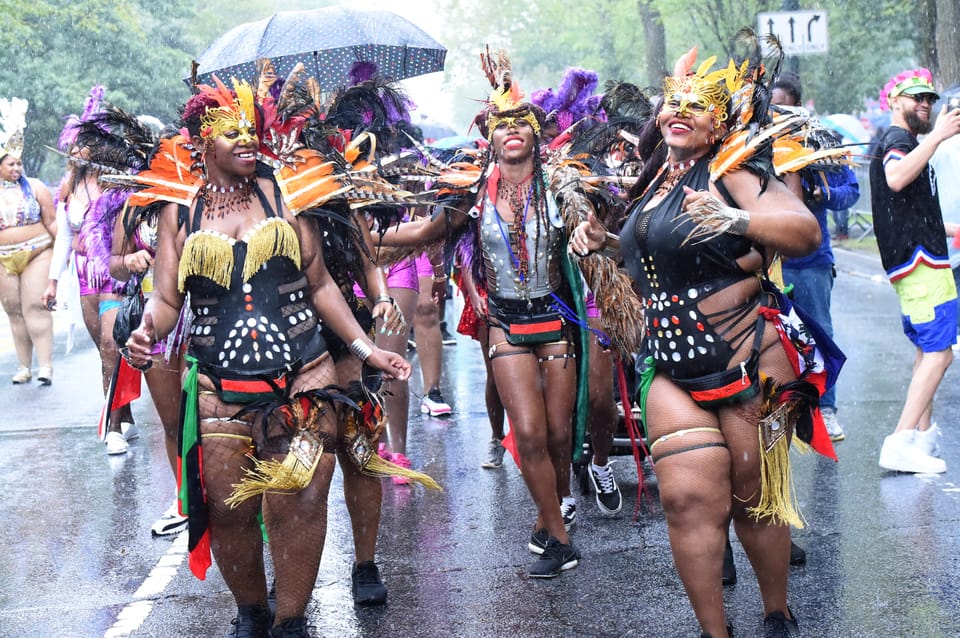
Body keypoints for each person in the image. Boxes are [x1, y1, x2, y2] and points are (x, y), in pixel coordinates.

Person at [122, 79, 411, 637]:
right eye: (232, 133)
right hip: (217, 386)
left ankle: (292, 620)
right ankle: (252, 611)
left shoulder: (287, 192)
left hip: (303, 374)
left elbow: (321, 283)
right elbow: (164, 298)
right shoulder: (179, 210)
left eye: (252, 131)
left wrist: (366, 348)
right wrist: (145, 332)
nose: (248, 141)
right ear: (205, 142)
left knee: (299, 498)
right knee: (228, 508)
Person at [571, 44, 843, 637]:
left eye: (695, 105)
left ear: (718, 121)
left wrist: (736, 220)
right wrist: (605, 243)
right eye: (672, 101)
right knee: (688, 502)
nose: (679, 110)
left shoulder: (732, 173)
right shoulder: (652, 187)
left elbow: (803, 229)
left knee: (752, 496)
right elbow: (657, 264)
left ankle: (777, 613)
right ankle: (714, 632)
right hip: (671, 369)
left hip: (746, 355)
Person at [380, 49, 589, 578]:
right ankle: (558, 536)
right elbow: (425, 235)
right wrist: (363, 237)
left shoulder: (560, 185)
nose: (512, 131)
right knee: (530, 432)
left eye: (522, 123)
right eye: (502, 125)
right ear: (489, 136)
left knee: (561, 437)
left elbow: (597, 229)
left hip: (557, 319)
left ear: (537, 135)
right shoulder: (471, 194)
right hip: (505, 325)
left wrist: (596, 235)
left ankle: (548, 519)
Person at [871, 68, 960, 474]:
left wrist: (946, 229)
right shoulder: (897, 141)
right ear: (893, 101)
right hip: (920, 263)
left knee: (928, 350)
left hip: (922, 258)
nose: (924, 104)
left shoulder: (905, 142)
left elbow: (904, 205)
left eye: (928, 99)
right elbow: (895, 178)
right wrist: (939, 136)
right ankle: (901, 439)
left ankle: (921, 436)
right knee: (940, 352)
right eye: (915, 98)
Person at [42, 86, 137, 455]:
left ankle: (111, 426)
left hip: (114, 272)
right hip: (83, 276)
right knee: (104, 350)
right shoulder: (69, 186)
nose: (76, 149)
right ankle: (123, 413)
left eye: (84, 142)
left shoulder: (120, 182)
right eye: (74, 143)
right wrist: (52, 281)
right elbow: (64, 237)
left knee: (115, 346)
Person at [772, 71, 860, 441]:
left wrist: (820, 194)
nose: (776, 114)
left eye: (782, 106)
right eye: (770, 107)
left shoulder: (821, 143)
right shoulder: (750, 145)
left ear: (797, 105)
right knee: (774, 339)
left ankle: (827, 409)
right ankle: (782, 412)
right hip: (764, 260)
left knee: (818, 333)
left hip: (810, 261)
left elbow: (850, 189)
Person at [0, 97, 56, 385]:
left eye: (19, 163)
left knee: (35, 305)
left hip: (38, 252)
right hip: (4, 257)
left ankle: (45, 365)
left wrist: (64, 256)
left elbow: (52, 222)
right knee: (14, 310)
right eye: (11, 163)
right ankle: (24, 366)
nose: (16, 168)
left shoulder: (36, 187)